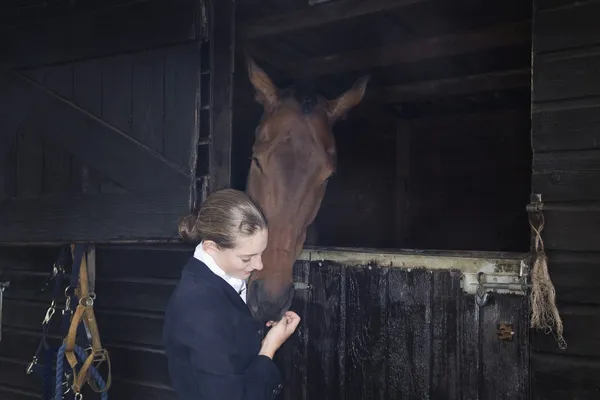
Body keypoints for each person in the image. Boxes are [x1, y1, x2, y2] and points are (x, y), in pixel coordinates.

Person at [162, 188, 301, 400]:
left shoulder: (224, 279)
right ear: (211, 247)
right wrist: (269, 349)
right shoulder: (198, 307)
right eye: (247, 258)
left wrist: (261, 333)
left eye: (260, 253)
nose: (258, 264)